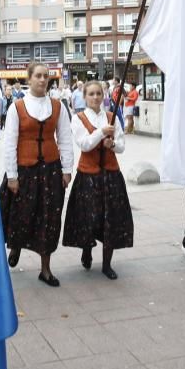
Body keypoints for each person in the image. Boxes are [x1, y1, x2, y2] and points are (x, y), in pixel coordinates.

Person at [0, 61, 74, 287]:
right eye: (38, 76)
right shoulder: (17, 107)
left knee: (49, 219)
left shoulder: (58, 106)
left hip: (50, 170)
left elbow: (65, 139)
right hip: (24, 170)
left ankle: (45, 269)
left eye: (46, 76)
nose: (42, 80)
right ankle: (16, 247)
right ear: (29, 78)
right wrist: (12, 175)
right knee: (21, 214)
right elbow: (10, 142)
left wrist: (67, 169)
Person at [62, 80, 133, 279]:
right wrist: (101, 132)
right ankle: (87, 247)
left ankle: (107, 263)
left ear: (103, 96)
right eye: (91, 94)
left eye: (98, 94)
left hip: (111, 174)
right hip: (88, 175)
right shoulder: (78, 119)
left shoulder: (111, 117)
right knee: (89, 217)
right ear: (84, 97)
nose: (95, 97)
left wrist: (112, 144)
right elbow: (84, 144)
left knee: (111, 219)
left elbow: (121, 146)